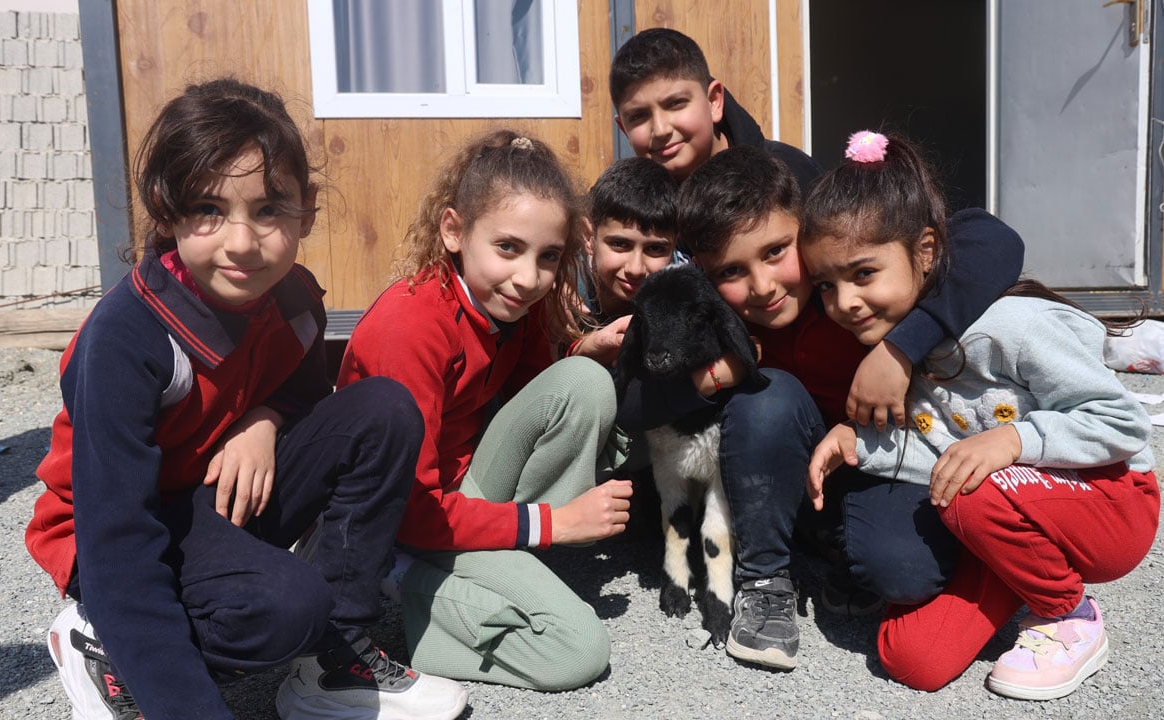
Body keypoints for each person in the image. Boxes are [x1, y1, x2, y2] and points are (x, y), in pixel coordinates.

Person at [24, 78, 468, 720]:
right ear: (164, 206)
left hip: (214, 491)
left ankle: (331, 665)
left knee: (383, 411)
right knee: (285, 607)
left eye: (268, 209)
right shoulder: (126, 342)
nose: (241, 241)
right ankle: (104, 648)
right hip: (109, 527)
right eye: (207, 208)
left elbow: (309, 397)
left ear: (306, 210)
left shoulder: (294, 298)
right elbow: (119, 543)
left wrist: (263, 419)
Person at [618, 143, 1024, 671]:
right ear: (702, 273)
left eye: (775, 252)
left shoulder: (852, 291)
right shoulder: (722, 321)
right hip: (794, 456)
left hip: (887, 463)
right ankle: (764, 582)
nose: (763, 287)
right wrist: (725, 372)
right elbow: (632, 405)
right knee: (768, 397)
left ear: (804, 230)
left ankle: (839, 548)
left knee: (902, 572)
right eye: (731, 271)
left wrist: (899, 349)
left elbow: (992, 237)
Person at [805, 131, 1160, 698]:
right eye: (826, 284)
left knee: (974, 485)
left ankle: (1072, 614)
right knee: (910, 660)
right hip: (998, 512)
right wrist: (857, 443)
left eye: (862, 273)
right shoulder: (893, 351)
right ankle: (1023, 573)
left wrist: (1012, 441)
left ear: (925, 252)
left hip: (1111, 501)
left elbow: (1123, 425)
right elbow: (932, 445)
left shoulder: (1013, 327)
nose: (843, 302)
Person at [337, 130, 632, 692]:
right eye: (508, 248)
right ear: (453, 231)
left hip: (465, 490)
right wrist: (557, 523)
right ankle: (406, 589)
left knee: (586, 382)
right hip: (405, 521)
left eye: (549, 257)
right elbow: (415, 508)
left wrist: (583, 351)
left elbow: (537, 395)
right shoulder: (412, 327)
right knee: (579, 651)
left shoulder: (511, 305)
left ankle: (504, 566)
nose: (528, 278)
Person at [609, 27, 821, 191]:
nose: (661, 129)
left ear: (714, 101)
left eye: (675, 104)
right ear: (623, 128)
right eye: (638, 116)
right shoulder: (624, 212)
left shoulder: (792, 175)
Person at [569, 156, 679, 367]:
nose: (635, 269)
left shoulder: (680, 297)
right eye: (620, 244)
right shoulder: (561, 294)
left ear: (674, 245)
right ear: (588, 237)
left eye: (655, 249)